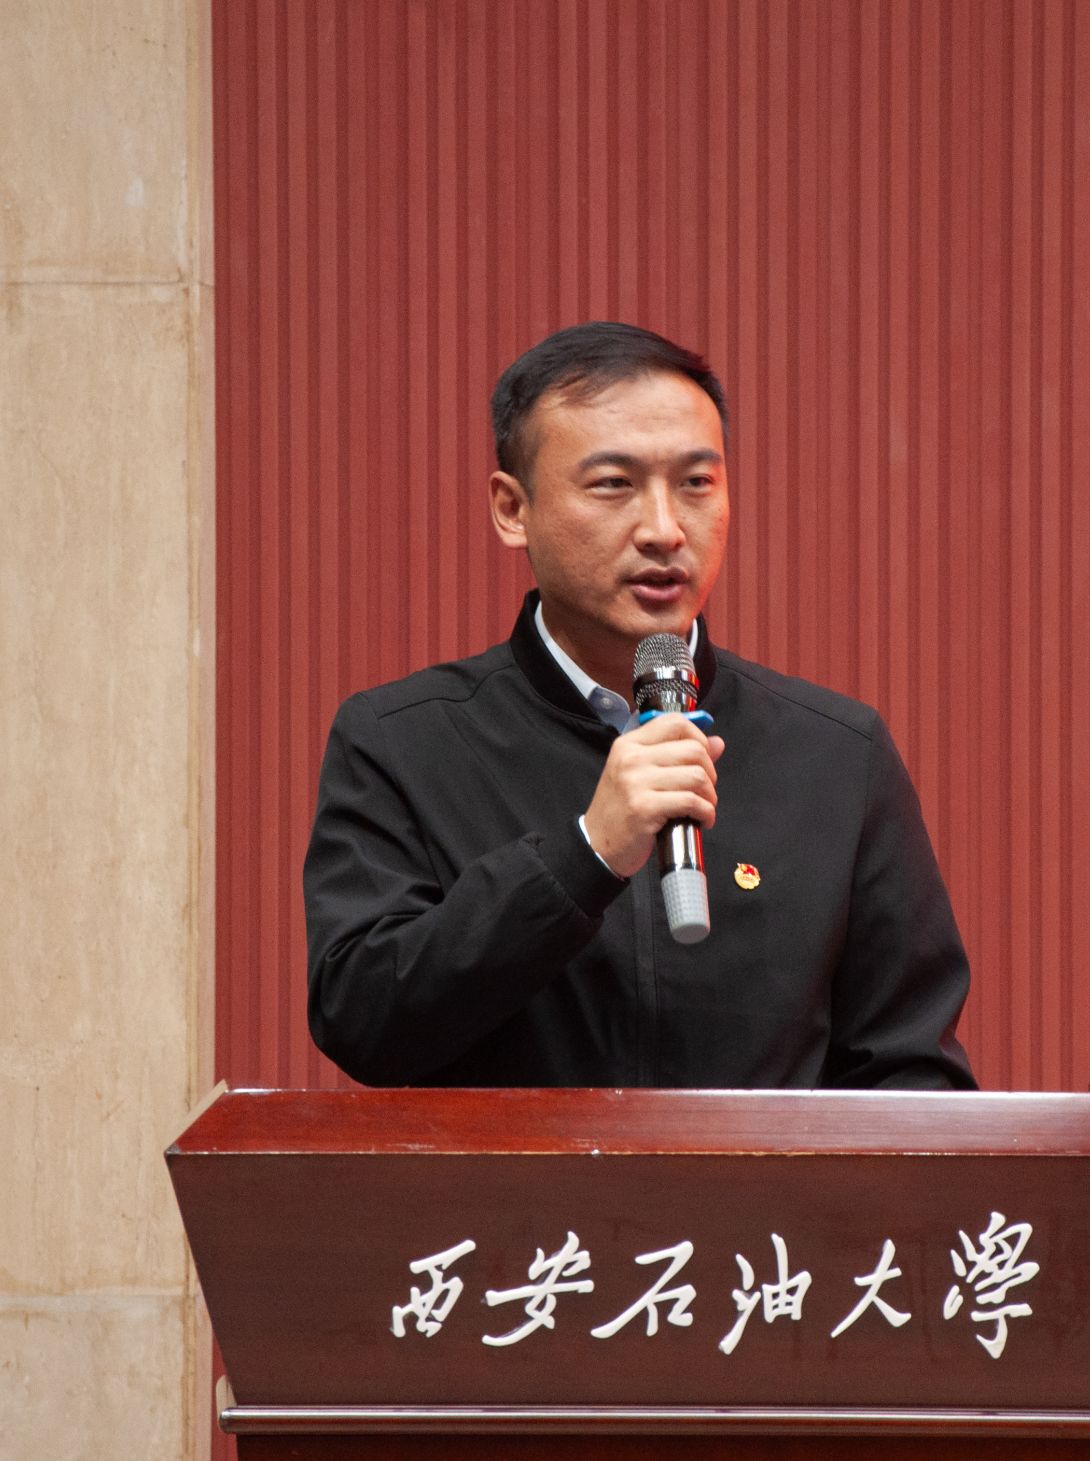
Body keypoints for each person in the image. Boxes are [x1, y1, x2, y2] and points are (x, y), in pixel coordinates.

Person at [304, 322, 975, 1089]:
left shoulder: (836, 757)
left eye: (696, 483)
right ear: (512, 508)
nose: (664, 529)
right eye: (613, 484)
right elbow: (362, 1017)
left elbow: (914, 1077)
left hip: (765, 1179)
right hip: (505, 1177)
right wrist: (586, 854)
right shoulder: (403, 743)